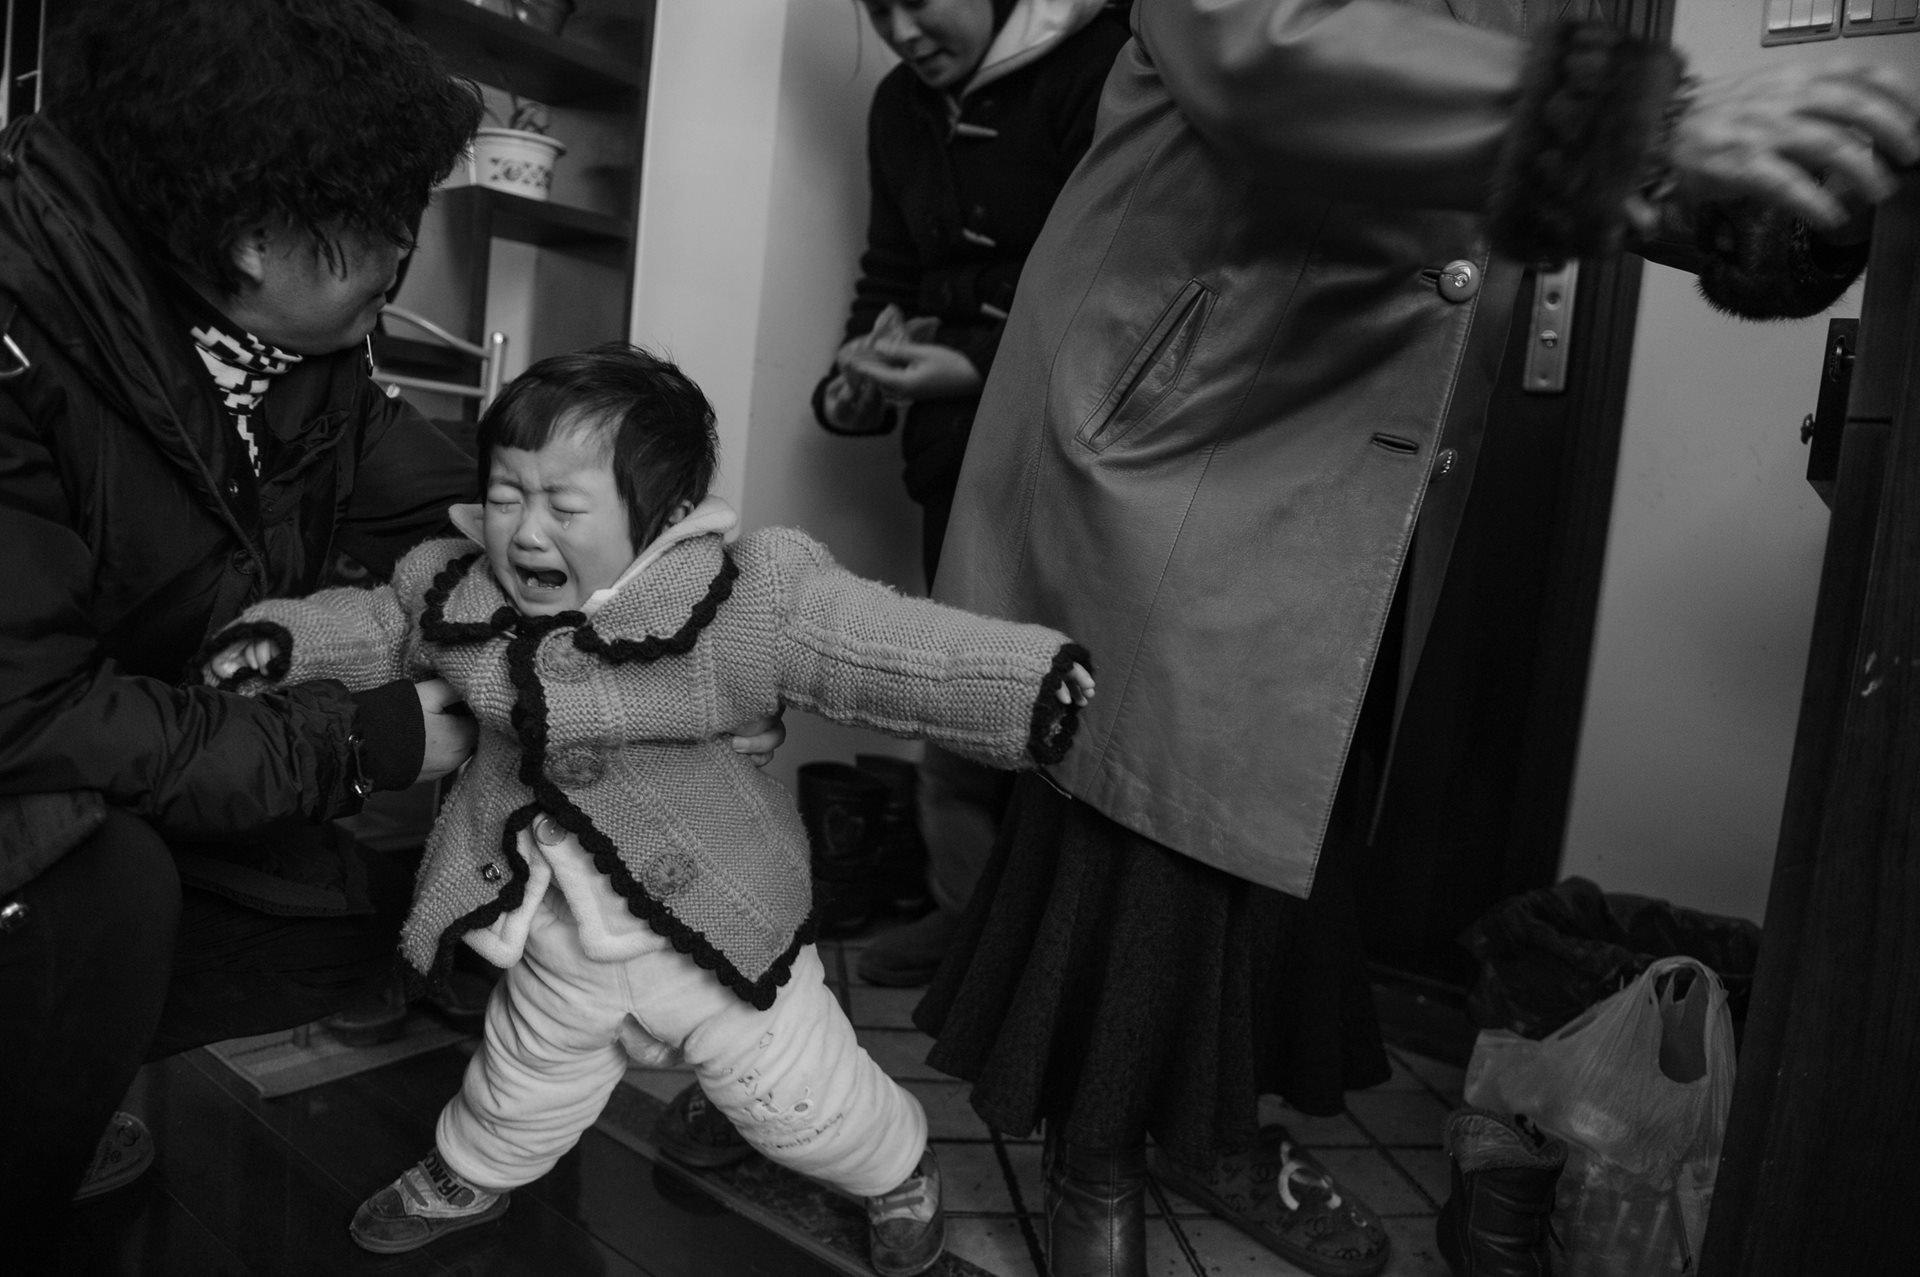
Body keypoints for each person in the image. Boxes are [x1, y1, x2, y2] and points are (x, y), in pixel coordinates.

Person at [909, 3, 1920, 1277]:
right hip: (1193, 433)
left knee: (1286, 832)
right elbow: (1260, 42)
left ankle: (1209, 1129)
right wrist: (1658, 116)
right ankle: (1095, 1157)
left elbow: (1532, 154)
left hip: (1365, 459)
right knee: (1144, 824)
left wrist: (1768, 186)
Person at [0, 1, 781, 1262]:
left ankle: (63, 1071)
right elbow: (30, 720)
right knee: (98, 898)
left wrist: (683, 624)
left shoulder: (287, 348)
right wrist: (364, 738)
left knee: (353, 919)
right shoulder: (21, 345)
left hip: (131, 725)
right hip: (37, 773)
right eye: (392, 242)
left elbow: (451, 506)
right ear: (259, 238)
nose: (400, 275)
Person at [203, 343, 1095, 1275]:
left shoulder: (740, 601)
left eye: (566, 505)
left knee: (805, 1101)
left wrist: (1023, 682)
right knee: (521, 1073)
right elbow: (377, 625)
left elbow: (879, 644)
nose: (526, 532)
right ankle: (472, 1167)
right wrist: (283, 642)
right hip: (557, 928)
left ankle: (898, 1168)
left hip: (721, 929)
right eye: (507, 493)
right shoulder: (452, 586)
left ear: (663, 517)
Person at [812, 0, 1130, 991]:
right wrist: (854, 375)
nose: (902, 30)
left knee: (1072, 704)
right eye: (878, 8)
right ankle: (967, 920)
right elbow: (890, 275)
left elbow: (1128, 286)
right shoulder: (900, 108)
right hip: (955, 453)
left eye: (921, 0)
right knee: (960, 692)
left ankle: (1061, 960)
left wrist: (974, 366)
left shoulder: (1108, 63)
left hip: (1086, 444)